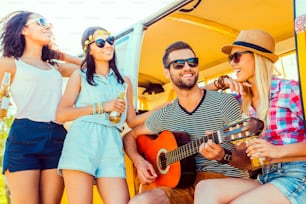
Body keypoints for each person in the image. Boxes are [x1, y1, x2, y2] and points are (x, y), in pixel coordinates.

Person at [123, 41, 255, 204]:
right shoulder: (166, 114)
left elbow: (249, 160)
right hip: (182, 186)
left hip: (223, 181)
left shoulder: (224, 102)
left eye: (192, 62)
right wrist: (139, 161)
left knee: (205, 192)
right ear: (167, 72)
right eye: (178, 65)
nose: (187, 67)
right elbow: (130, 135)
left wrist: (223, 155)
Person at [194, 29, 306, 204]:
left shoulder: (290, 90)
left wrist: (277, 151)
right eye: (230, 59)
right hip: (267, 176)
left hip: (299, 175)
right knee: (205, 188)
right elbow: (193, 99)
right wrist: (222, 155)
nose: (232, 64)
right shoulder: (240, 102)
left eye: (236, 57)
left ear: (257, 57)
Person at [56, 26, 159, 204]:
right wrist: (101, 107)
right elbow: (61, 114)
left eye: (110, 40)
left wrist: (163, 107)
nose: (108, 46)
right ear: (89, 49)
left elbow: (132, 121)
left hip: (112, 144)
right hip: (82, 142)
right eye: (101, 43)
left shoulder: (124, 81)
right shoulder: (79, 77)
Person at [0, 11, 82, 204]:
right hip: (24, 137)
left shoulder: (55, 67)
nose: (48, 26)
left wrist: (59, 55)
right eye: (41, 22)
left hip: (57, 137)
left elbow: (89, 68)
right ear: (23, 29)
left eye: (49, 23)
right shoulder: (9, 63)